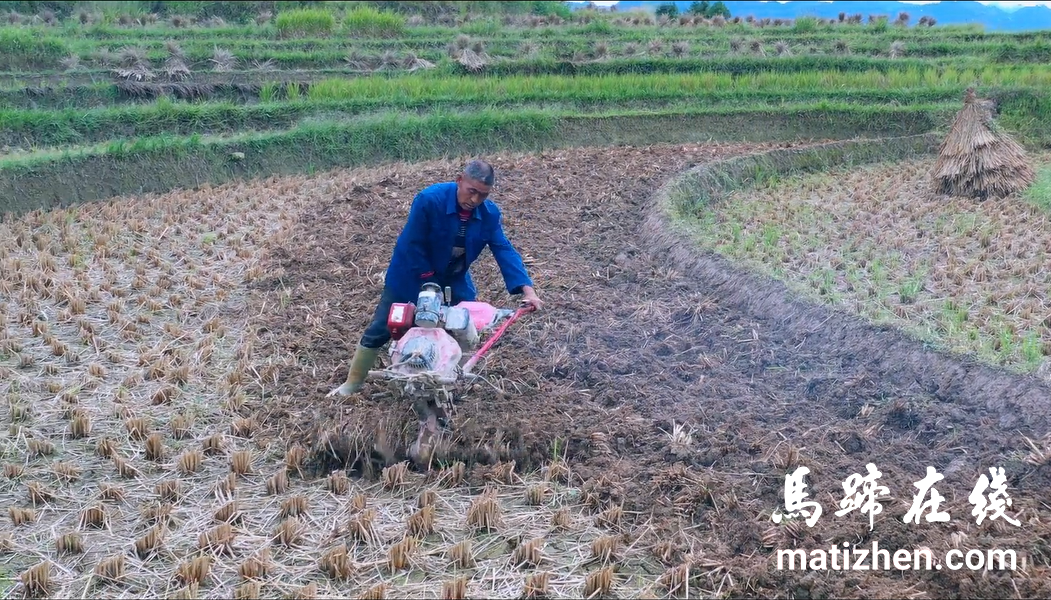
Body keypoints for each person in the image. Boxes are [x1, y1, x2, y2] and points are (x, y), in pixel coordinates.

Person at [328, 159, 543, 397]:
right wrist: (429, 283)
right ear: (460, 180)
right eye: (471, 192)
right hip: (410, 274)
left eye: (482, 195)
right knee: (383, 327)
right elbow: (412, 244)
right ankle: (353, 383)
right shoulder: (430, 200)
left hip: (453, 279)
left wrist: (527, 289)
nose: (475, 200)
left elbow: (503, 249)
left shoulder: (489, 214)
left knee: (463, 327)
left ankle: (449, 381)